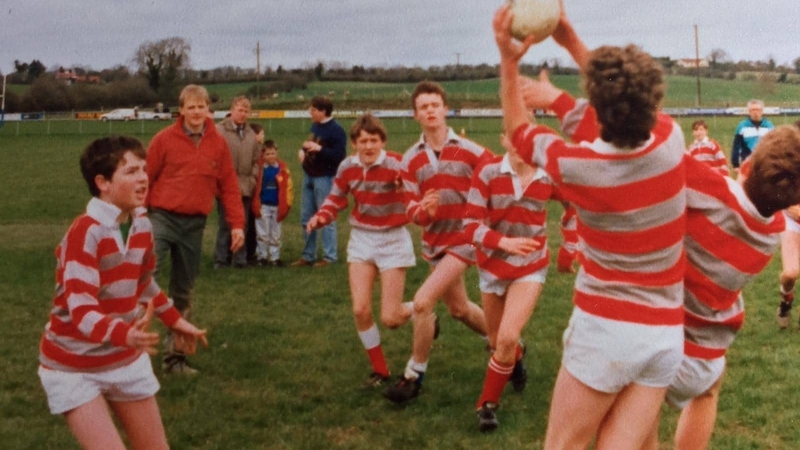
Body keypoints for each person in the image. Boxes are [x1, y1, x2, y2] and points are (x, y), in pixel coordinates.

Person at [496, 4, 687, 448]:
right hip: (663, 336)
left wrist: (509, 62)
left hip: (606, 331)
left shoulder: (578, 166)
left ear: (597, 105)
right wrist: (571, 43)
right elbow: (623, 106)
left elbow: (518, 129)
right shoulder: (670, 139)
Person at [38, 136, 209, 450]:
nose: (143, 178)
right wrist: (124, 334)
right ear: (102, 182)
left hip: (124, 360)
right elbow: (81, 309)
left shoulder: (141, 223)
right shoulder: (85, 233)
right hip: (74, 367)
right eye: (131, 172)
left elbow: (142, 282)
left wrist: (173, 320)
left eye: (144, 169)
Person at [640, 126, 800, 449]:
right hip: (704, 357)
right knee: (709, 390)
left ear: (745, 166)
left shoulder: (713, 190)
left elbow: (652, 135)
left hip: (658, 338)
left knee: (645, 416)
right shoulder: (773, 231)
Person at [382, 81, 495, 404]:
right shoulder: (409, 160)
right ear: (415, 115)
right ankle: (507, 346)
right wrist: (425, 212)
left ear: (446, 109)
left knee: (422, 301)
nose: (430, 111)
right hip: (435, 241)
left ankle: (413, 375)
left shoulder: (473, 151)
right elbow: (411, 208)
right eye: (423, 107)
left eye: (435, 105)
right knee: (458, 309)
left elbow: (496, 180)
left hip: (466, 237)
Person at [464, 132, 573, 432]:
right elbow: (469, 225)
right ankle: (516, 359)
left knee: (508, 336)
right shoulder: (487, 173)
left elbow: (574, 206)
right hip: (491, 265)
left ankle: (487, 405)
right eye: (515, 139)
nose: (521, 147)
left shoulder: (548, 176)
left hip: (530, 264)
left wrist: (570, 246)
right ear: (503, 140)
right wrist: (503, 243)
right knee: (497, 340)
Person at [306, 114, 416, 387]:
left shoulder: (397, 164)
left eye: (374, 140)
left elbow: (416, 195)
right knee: (360, 310)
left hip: (393, 239)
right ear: (354, 143)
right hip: (362, 239)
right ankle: (380, 370)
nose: (368, 147)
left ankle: (423, 310)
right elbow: (336, 198)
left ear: (383, 142)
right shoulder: (347, 166)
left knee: (391, 318)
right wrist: (321, 216)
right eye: (363, 141)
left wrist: (406, 190)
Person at [146, 84, 244, 375]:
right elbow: (145, 179)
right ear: (182, 110)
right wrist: (138, 216)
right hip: (161, 219)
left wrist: (237, 225)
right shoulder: (163, 140)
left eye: (201, 107)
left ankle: (175, 358)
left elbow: (228, 187)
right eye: (191, 107)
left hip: (194, 225)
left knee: (183, 291)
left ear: (208, 110)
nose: (197, 112)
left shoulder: (218, 143)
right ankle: (125, 352)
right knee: (143, 279)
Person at [291, 96, 347, 268]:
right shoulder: (315, 126)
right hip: (309, 175)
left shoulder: (337, 130)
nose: (310, 112)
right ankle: (308, 256)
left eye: (313, 110)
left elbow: (339, 156)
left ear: (323, 112)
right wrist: (303, 151)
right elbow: (311, 143)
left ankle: (329, 257)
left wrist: (320, 150)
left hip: (325, 178)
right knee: (306, 217)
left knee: (326, 217)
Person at [214, 96, 261, 269]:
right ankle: (221, 258)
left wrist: (253, 177)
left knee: (244, 223)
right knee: (226, 224)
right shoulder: (219, 131)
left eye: (246, 111)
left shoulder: (250, 134)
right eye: (240, 110)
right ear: (232, 110)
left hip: (246, 185)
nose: (243, 114)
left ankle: (240, 259)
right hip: (226, 186)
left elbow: (257, 160)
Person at [252, 139, 293, 267]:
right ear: (263, 155)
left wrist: (287, 203)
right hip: (263, 205)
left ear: (277, 153)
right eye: (267, 154)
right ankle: (262, 257)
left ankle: (275, 257)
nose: (270, 156)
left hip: (277, 205)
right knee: (262, 233)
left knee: (275, 233)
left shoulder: (282, 169)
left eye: (272, 153)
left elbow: (288, 188)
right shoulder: (259, 169)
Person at [730, 99, 774, 175]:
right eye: (753, 110)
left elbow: (774, 146)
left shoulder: (769, 126)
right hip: (747, 163)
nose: (755, 112)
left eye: (758, 109)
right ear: (749, 111)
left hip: (765, 163)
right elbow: (736, 146)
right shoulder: (742, 126)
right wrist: (735, 164)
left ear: (762, 111)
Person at [245, 122, 267, 265]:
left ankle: (252, 251)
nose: (263, 136)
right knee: (250, 222)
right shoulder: (255, 152)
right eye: (262, 133)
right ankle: (250, 252)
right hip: (252, 190)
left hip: (255, 190)